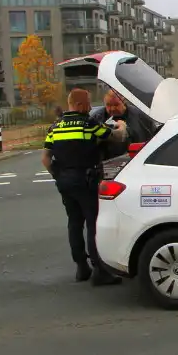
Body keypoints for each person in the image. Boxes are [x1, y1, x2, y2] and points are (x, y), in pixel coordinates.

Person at [42, 88, 127, 285]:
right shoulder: (87, 123)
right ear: (80, 105)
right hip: (86, 179)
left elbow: (45, 159)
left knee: (74, 222)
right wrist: (121, 126)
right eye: (88, 103)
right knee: (92, 223)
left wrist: (58, 176)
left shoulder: (55, 127)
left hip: (64, 181)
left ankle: (81, 267)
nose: (90, 107)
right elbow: (115, 137)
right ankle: (100, 271)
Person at [88, 90, 158, 160]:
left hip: (135, 160)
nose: (112, 108)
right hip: (105, 164)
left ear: (124, 101)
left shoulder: (140, 116)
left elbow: (155, 136)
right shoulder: (96, 118)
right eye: (108, 105)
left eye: (116, 105)